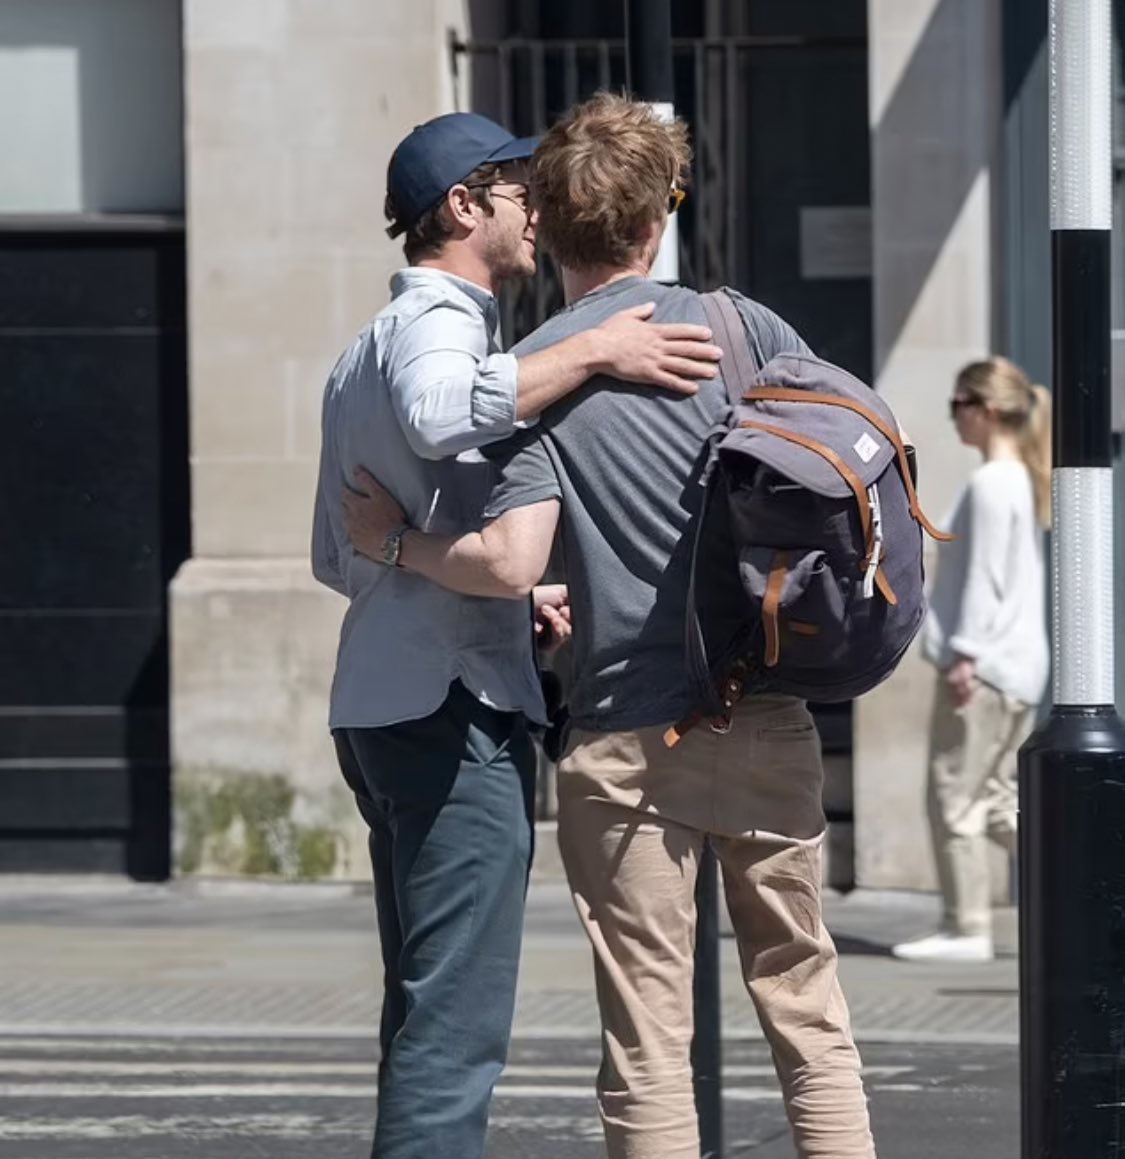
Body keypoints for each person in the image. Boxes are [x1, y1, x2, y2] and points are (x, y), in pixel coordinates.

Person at [343, 93, 876, 1159]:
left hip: (626, 740)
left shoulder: (538, 374)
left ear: (550, 221)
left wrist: (391, 542)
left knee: (646, 1034)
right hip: (762, 714)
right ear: (656, 219)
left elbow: (511, 562)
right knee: (808, 1006)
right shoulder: (743, 327)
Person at [310, 110, 722, 1159]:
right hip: (452, 708)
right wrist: (596, 346)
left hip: (383, 698)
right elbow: (448, 416)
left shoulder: (364, 350)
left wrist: (484, 585)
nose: (537, 208)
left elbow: (335, 553)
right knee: (457, 1023)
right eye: (515, 187)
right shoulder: (444, 323)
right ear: (463, 205)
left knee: (421, 1005)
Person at [893, 356, 1050, 964]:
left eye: (958, 406)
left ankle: (966, 926)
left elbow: (984, 581)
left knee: (954, 798)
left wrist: (964, 655)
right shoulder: (1020, 478)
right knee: (996, 800)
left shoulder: (992, 483)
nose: (952, 418)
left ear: (984, 411)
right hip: (1017, 666)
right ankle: (1083, 879)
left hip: (984, 666)